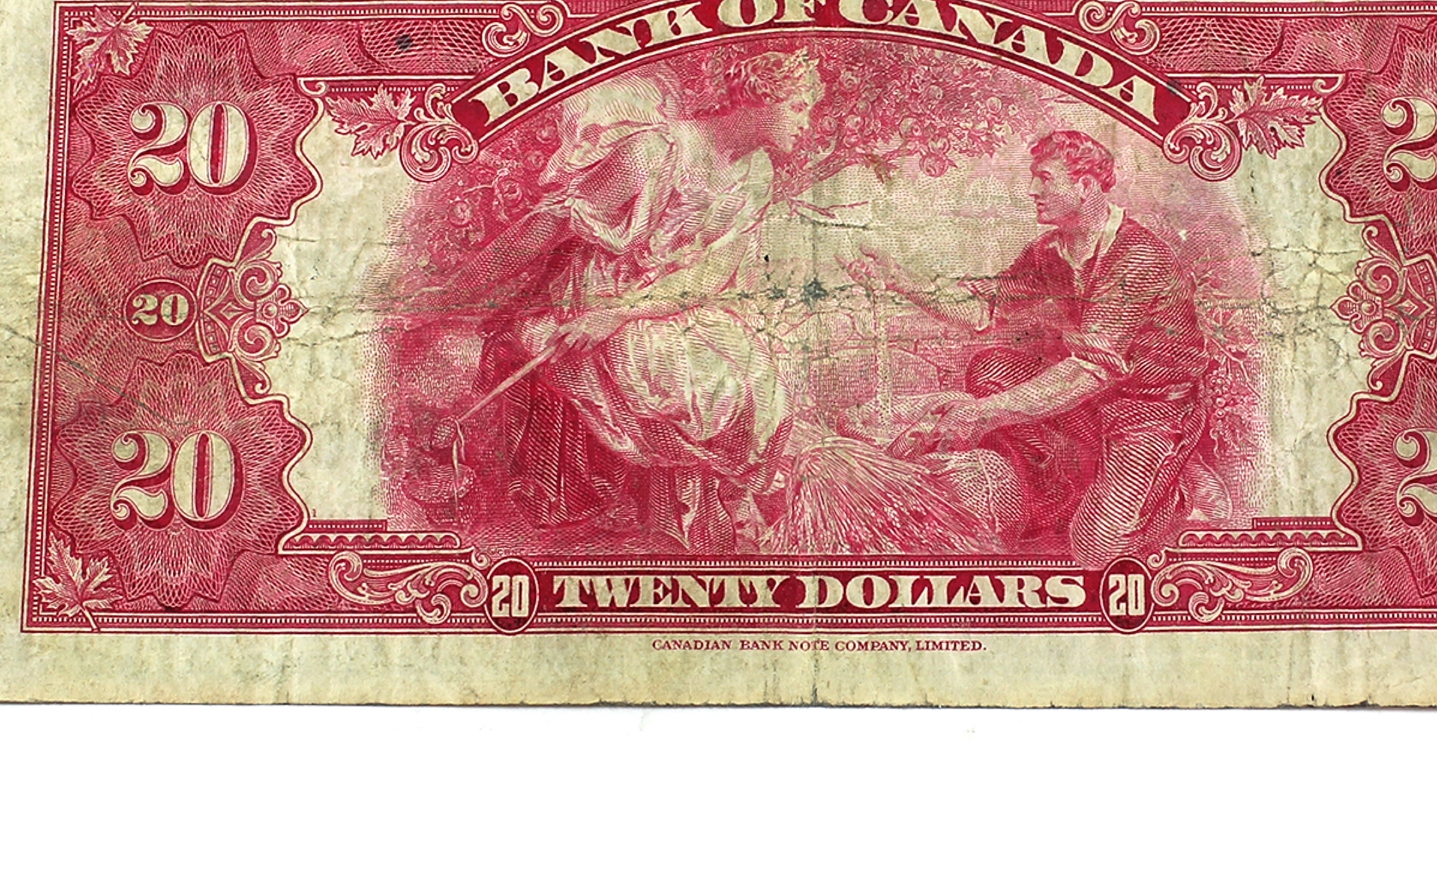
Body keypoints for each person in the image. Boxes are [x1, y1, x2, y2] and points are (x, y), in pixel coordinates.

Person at [486, 50, 822, 552]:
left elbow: (710, 274)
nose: (806, 123)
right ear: (759, 98)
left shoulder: (757, 176)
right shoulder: (656, 150)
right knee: (688, 383)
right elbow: (552, 226)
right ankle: (695, 513)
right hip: (597, 290)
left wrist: (626, 311)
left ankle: (728, 499)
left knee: (761, 383)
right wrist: (459, 289)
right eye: (797, 106)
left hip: (660, 299)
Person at [848, 129, 1220, 564]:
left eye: (1045, 178)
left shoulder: (1137, 257)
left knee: (1096, 548)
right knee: (991, 370)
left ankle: (1177, 486)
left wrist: (981, 413)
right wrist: (902, 281)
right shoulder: (1051, 250)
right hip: (1094, 403)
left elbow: (1087, 371)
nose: (1032, 190)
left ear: (1084, 186)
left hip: (1149, 410)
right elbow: (983, 310)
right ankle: (1063, 490)